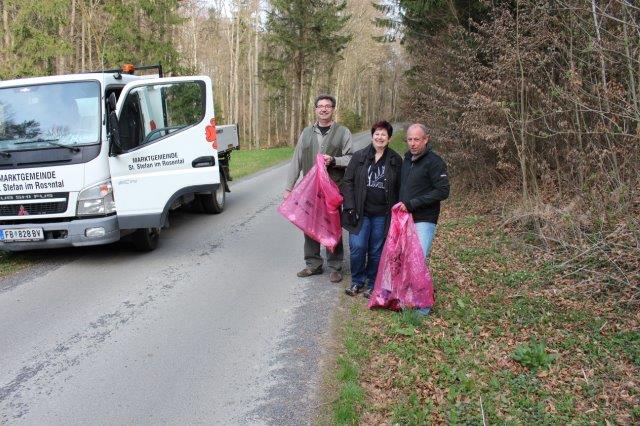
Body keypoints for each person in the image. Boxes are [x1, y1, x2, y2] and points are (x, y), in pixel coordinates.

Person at [284, 94, 353, 283]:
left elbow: (351, 158)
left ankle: (335, 266)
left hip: (332, 189)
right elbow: (296, 160)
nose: (323, 109)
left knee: (333, 225)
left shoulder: (343, 131)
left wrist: (335, 160)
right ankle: (313, 264)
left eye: (327, 106)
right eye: (320, 106)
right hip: (310, 189)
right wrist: (289, 188)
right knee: (309, 226)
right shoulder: (306, 132)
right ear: (315, 110)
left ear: (333, 109)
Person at [342, 120, 402, 298]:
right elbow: (347, 182)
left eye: (384, 134)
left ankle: (371, 283)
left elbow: (400, 186)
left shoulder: (395, 160)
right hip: (360, 212)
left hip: (382, 214)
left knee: (376, 250)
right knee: (358, 247)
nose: (380, 137)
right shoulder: (359, 157)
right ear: (372, 136)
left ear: (389, 138)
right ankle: (356, 282)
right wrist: (350, 206)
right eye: (377, 133)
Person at [398, 123, 450, 259]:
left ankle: (416, 281)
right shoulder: (407, 160)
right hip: (404, 218)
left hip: (424, 219)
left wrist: (412, 203)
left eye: (417, 139)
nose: (412, 144)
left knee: (418, 260)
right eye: (410, 139)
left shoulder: (435, 162)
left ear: (426, 139)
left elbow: (443, 191)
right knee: (404, 259)